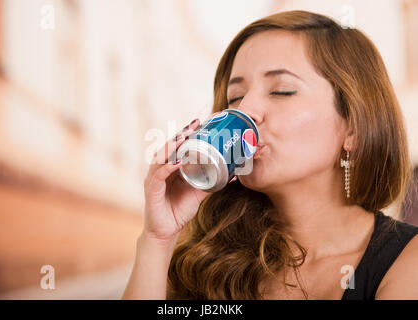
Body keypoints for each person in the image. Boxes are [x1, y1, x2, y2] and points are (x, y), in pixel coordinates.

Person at [123, 10, 418, 300]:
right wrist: (157, 241)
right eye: (235, 97)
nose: (245, 109)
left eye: (282, 91)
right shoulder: (208, 261)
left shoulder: (406, 260)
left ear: (353, 127)